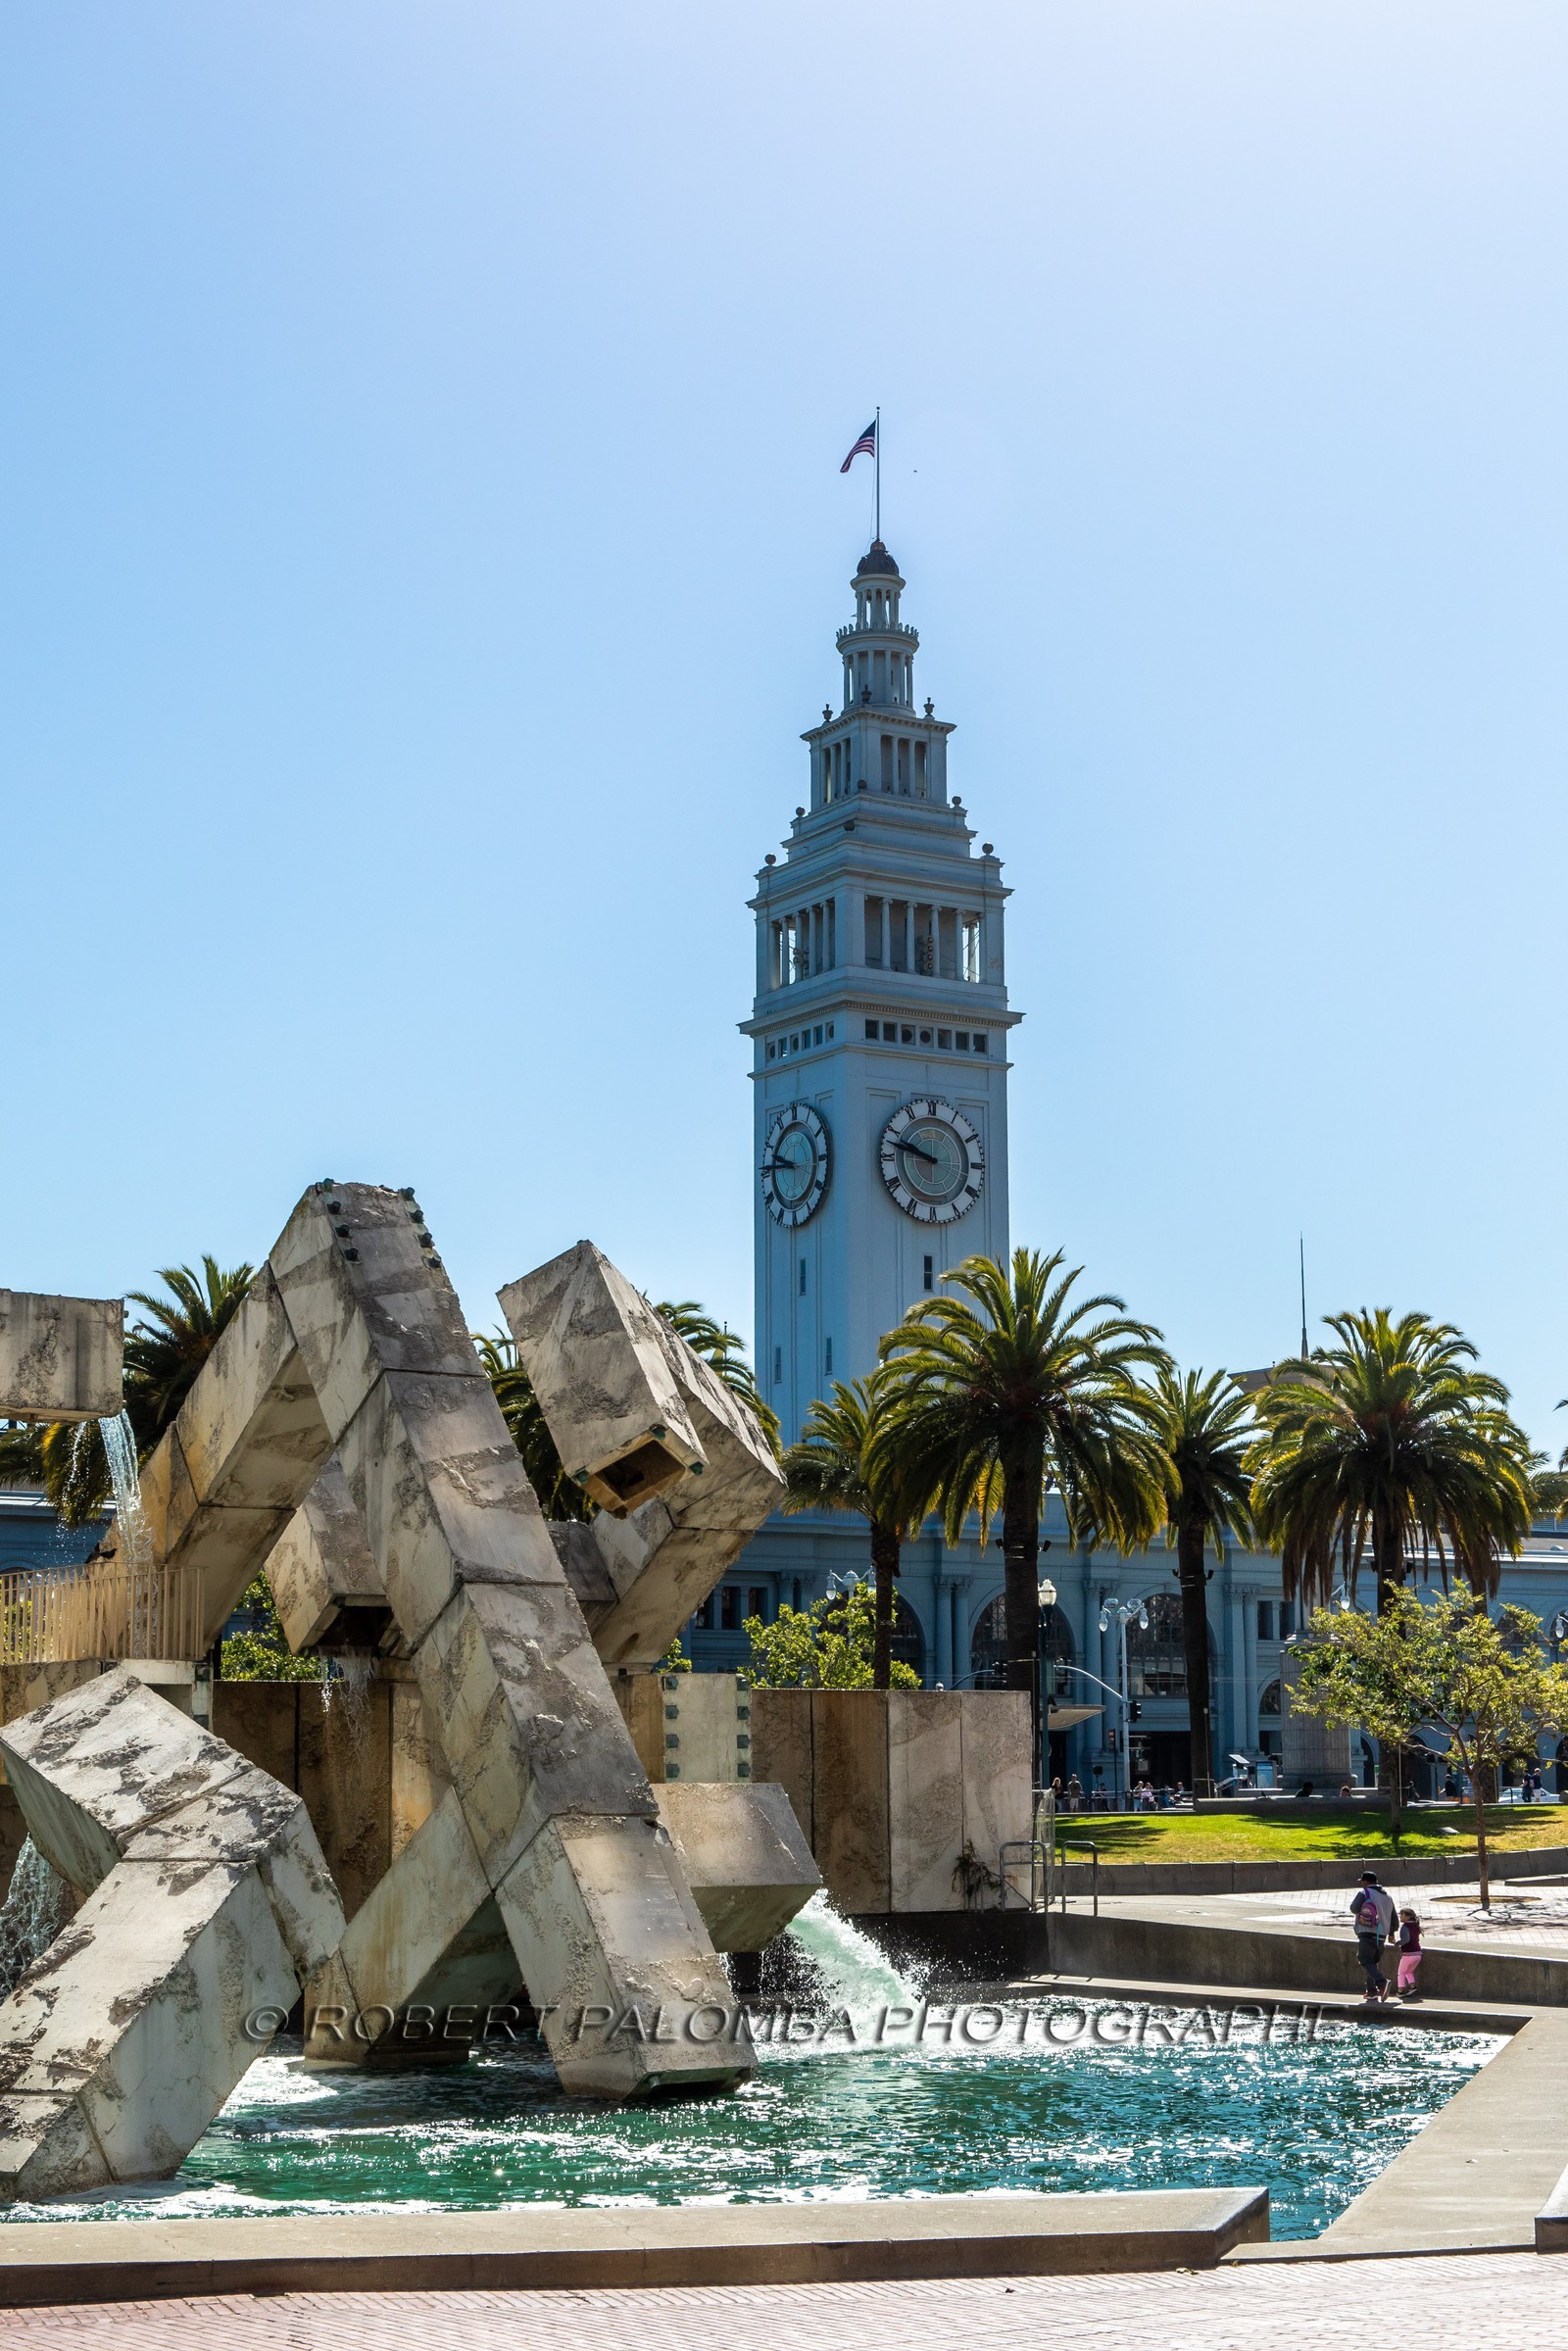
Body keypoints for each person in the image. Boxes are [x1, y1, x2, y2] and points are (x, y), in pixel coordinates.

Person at [1350, 1870, 1396, 2002]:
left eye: (1362, 1882)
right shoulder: (1388, 1897)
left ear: (1365, 1882)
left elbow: (1354, 1908)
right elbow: (1394, 1919)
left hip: (1367, 1932)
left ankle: (1382, 1983)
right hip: (1381, 1936)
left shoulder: (1364, 1893)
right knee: (1371, 1963)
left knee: (1364, 1960)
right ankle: (1371, 1992)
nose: (1361, 1884)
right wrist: (1392, 1933)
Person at [1396, 1907, 1423, 2001]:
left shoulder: (1405, 1927)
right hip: (1418, 1954)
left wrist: (1397, 1943)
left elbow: (1406, 1940)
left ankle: (1400, 1990)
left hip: (1409, 1954)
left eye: (1401, 1915)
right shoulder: (1415, 1926)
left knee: (1401, 1972)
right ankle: (1412, 1986)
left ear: (1407, 1917)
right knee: (1409, 1971)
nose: (1400, 1916)